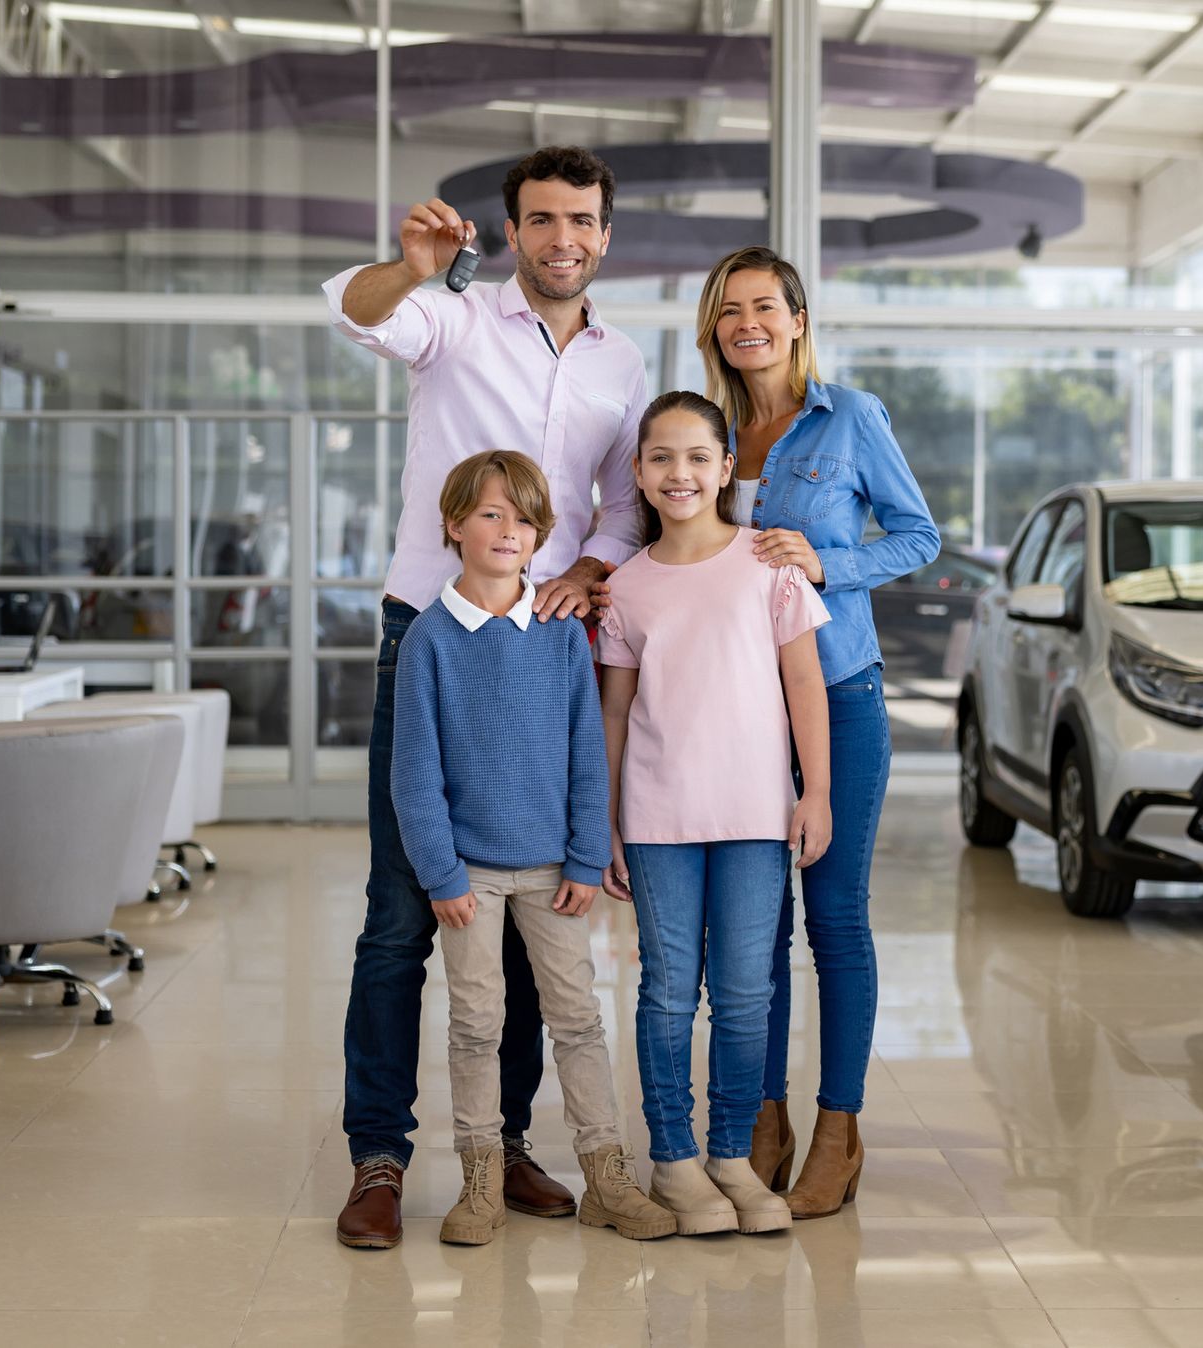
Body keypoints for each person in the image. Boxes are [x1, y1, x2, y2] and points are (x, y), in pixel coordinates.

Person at [322, 145, 648, 1250]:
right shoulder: (453, 321)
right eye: (545, 219)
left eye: (585, 221)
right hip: (431, 630)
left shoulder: (623, 363)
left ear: (607, 233)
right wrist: (410, 266)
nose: (566, 238)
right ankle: (378, 1156)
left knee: (522, 924)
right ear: (514, 230)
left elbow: (623, 505)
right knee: (402, 914)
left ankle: (502, 1144)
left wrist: (587, 569)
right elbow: (359, 315)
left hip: (544, 640)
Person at [696, 246, 940, 1218]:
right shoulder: (710, 432)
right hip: (734, 704)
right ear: (714, 327)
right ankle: (764, 1118)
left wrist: (826, 559)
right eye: (729, 309)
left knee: (834, 917)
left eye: (765, 305)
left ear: (797, 318)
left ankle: (839, 1127)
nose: (747, 321)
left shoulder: (850, 418)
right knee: (754, 931)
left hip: (836, 691)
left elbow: (919, 535)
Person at [392, 451, 676, 1247]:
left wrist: (588, 857)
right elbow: (414, 777)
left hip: (554, 871)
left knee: (578, 1019)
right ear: (454, 525)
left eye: (522, 518)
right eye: (489, 514)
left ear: (542, 532)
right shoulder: (428, 641)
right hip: (468, 879)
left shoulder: (560, 636)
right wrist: (442, 873)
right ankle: (481, 1176)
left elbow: (588, 753)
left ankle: (607, 1177)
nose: (507, 530)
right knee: (477, 1024)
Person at [596, 390, 833, 1236]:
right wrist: (609, 824)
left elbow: (804, 681)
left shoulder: (767, 564)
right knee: (667, 994)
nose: (680, 473)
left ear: (728, 468)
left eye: (699, 457)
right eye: (661, 457)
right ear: (638, 473)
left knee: (744, 994)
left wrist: (817, 794)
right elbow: (614, 713)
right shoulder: (625, 587)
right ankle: (673, 1160)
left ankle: (731, 1153)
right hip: (657, 819)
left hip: (757, 816)